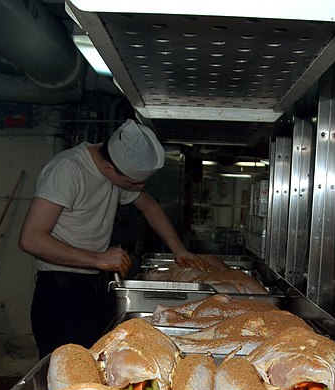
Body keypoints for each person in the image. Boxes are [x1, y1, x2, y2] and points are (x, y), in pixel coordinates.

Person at [19, 118, 202, 359]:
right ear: (109, 170)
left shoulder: (118, 171)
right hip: (60, 293)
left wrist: (178, 249)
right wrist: (97, 258)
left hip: (94, 289)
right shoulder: (68, 169)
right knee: (68, 376)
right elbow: (31, 239)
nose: (139, 187)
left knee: (98, 367)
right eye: (133, 182)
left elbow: (150, 207)